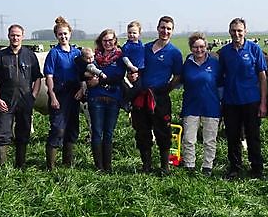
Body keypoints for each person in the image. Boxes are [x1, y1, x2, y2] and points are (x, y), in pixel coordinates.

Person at [129, 16, 183, 174]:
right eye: (162, 28)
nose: (165, 31)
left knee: (163, 131)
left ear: (172, 31)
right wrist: (133, 76)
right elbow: (135, 69)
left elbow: (178, 76)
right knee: (142, 130)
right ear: (157, 28)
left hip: (160, 97)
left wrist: (167, 89)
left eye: (168, 29)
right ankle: (146, 166)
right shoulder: (145, 48)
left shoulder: (174, 53)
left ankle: (164, 166)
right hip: (141, 95)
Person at [218, 17, 268, 179]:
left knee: (253, 136)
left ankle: (256, 169)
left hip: (251, 101)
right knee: (232, 137)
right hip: (231, 102)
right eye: (233, 31)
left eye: (239, 30)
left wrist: (263, 103)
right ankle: (235, 168)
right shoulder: (224, 52)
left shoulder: (254, 49)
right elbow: (220, 77)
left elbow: (262, 77)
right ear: (229, 32)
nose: (236, 34)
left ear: (245, 31)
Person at [0, 24, 42, 168]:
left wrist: (33, 95)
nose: (15, 38)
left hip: (25, 100)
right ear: (8, 36)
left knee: (23, 133)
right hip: (6, 100)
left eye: (18, 35)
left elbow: (37, 78)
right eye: (13, 35)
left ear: (22, 37)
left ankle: (21, 164)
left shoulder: (30, 55)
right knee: (2, 134)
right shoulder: (0, 56)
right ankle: (2, 167)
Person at [181, 32, 222, 176]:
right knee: (189, 139)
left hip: (211, 107)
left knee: (209, 140)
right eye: (195, 47)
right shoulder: (187, 64)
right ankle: (189, 166)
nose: (199, 50)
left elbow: (221, 85)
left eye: (202, 47)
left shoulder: (215, 64)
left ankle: (207, 167)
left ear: (206, 46)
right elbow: (179, 81)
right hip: (190, 106)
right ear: (191, 48)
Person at [43, 16, 82, 171]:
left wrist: (81, 89)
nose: (63, 36)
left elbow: (82, 74)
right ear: (56, 36)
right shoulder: (54, 53)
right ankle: (50, 166)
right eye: (60, 34)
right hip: (59, 94)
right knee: (58, 128)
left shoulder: (77, 53)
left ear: (70, 34)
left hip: (74, 94)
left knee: (72, 128)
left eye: (65, 34)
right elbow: (49, 76)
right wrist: (52, 96)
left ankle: (68, 163)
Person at [85, 29, 126, 172]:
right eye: (105, 40)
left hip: (113, 98)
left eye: (110, 40)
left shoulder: (120, 57)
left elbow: (119, 76)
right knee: (96, 131)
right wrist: (90, 80)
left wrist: (100, 81)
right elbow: (85, 72)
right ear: (100, 42)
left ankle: (108, 166)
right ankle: (98, 166)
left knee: (109, 132)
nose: (108, 43)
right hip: (95, 98)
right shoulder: (94, 57)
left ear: (115, 40)